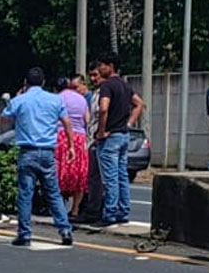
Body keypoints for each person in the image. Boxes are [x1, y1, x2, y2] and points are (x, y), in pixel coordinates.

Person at [1, 67, 75, 246]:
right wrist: (71, 145)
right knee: (53, 193)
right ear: (43, 82)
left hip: (28, 151)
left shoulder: (20, 100)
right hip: (48, 151)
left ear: (26, 83)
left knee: (26, 194)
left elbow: (4, 119)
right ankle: (65, 229)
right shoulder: (55, 100)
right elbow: (66, 122)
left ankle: (24, 234)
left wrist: (15, 100)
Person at [94, 54, 144, 227]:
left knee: (110, 177)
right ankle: (123, 210)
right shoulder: (125, 85)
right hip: (123, 134)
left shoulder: (107, 86)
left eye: (102, 65)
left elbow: (103, 109)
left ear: (111, 66)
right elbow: (139, 104)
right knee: (122, 174)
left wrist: (101, 131)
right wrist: (129, 123)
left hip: (110, 136)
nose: (99, 69)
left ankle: (110, 212)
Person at [55, 77, 89, 220]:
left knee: (60, 172)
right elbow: (87, 119)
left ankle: (60, 207)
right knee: (79, 174)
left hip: (61, 136)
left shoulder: (57, 99)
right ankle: (75, 209)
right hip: (80, 138)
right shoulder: (82, 99)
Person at [79, 64, 106, 223]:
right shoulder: (96, 93)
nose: (94, 79)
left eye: (96, 75)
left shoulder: (105, 92)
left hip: (99, 140)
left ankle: (97, 210)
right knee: (93, 177)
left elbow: (103, 112)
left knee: (99, 177)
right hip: (92, 140)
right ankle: (93, 208)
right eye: (92, 76)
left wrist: (102, 132)